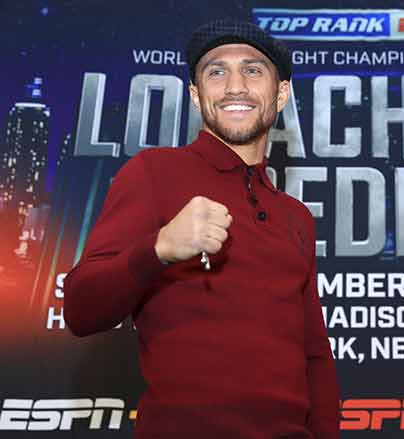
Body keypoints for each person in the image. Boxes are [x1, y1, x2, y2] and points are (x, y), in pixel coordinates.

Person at [64, 18, 339, 438]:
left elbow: (315, 354)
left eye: (252, 70)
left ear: (281, 93)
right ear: (195, 95)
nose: (234, 86)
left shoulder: (295, 216)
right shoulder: (153, 173)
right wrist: (157, 249)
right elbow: (81, 310)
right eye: (216, 72)